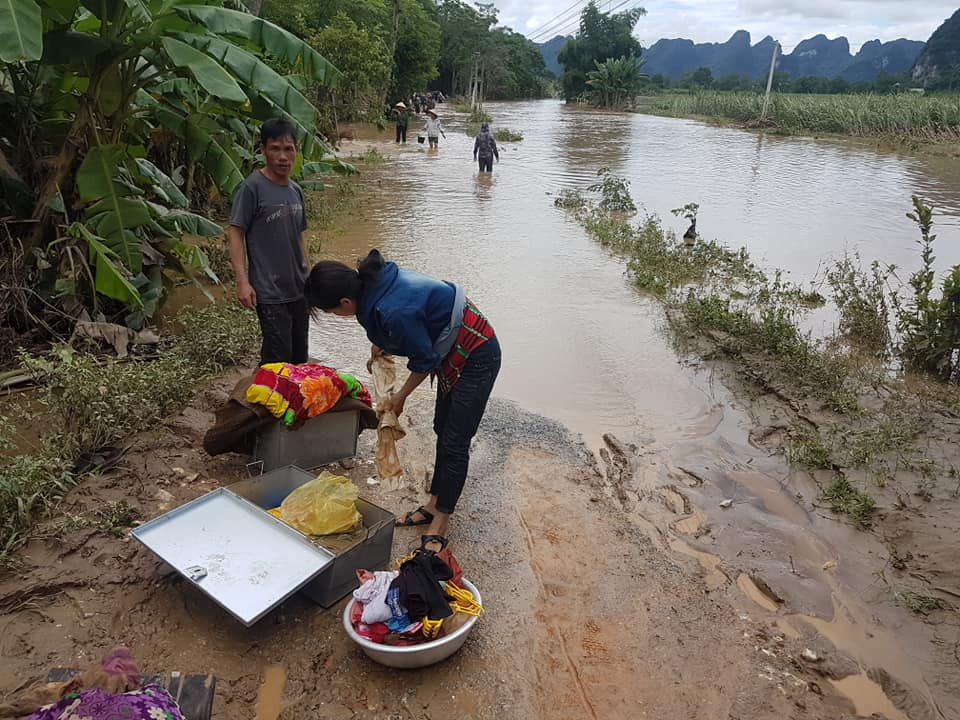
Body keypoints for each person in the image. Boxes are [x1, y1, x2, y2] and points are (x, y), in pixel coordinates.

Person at [304, 250, 501, 553]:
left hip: (476, 355)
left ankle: (441, 521)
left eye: (331, 312)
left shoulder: (392, 310)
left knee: (455, 440)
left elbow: (424, 359)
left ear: (345, 302)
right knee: (442, 427)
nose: (336, 317)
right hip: (452, 351)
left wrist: (400, 397)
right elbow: (414, 322)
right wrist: (381, 343)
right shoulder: (371, 284)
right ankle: (434, 503)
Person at [228, 118, 310, 365]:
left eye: (289, 149)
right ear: (262, 150)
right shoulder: (252, 188)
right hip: (270, 292)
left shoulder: (295, 190)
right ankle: (268, 401)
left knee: (299, 358)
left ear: (296, 150)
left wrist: (310, 273)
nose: (283, 157)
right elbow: (235, 233)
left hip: (299, 290)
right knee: (278, 359)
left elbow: (299, 235)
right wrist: (243, 282)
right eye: (275, 149)